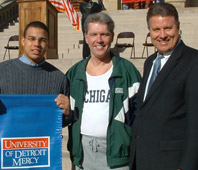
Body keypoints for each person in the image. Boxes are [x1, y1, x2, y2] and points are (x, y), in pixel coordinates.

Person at [66, 12, 141, 170]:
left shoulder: (128, 71)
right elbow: (65, 117)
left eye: (104, 34)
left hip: (117, 156)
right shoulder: (74, 74)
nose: (98, 40)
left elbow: (140, 115)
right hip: (82, 154)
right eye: (93, 34)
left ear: (112, 36)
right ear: (86, 37)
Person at [130, 3, 198, 170]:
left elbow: (195, 120)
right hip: (143, 158)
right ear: (149, 30)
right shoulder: (150, 62)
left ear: (178, 27)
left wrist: (187, 166)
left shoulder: (193, 61)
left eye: (168, 28)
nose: (162, 35)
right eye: (156, 30)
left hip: (172, 162)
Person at [0, 21, 70, 125]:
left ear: (48, 44)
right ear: (23, 41)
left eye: (42, 40)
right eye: (31, 39)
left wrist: (67, 113)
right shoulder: (2, 71)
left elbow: (60, 123)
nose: (36, 44)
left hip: (42, 140)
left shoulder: (59, 78)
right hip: (9, 139)